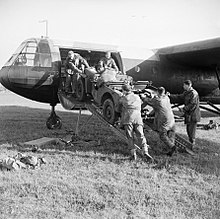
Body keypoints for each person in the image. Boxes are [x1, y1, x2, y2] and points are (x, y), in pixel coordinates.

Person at [118, 84, 153, 161]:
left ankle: (133, 154)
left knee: (130, 137)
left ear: (124, 91)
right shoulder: (137, 97)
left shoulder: (124, 98)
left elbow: (118, 108)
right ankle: (145, 151)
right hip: (138, 118)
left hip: (128, 118)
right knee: (141, 135)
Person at [141, 87, 176, 156]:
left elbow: (148, 101)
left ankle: (172, 147)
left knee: (162, 135)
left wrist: (143, 97)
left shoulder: (157, 100)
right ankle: (170, 148)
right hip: (171, 119)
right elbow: (159, 99)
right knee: (171, 132)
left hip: (164, 120)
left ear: (157, 92)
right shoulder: (166, 98)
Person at [170, 80, 201, 150]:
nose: (183, 86)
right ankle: (190, 145)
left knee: (191, 132)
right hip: (189, 115)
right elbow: (179, 97)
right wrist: (170, 95)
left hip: (193, 115)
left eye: (184, 85)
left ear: (188, 85)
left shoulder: (194, 93)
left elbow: (192, 104)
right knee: (188, 130)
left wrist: (184, 109)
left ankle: (192, 147)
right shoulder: (186, 92)